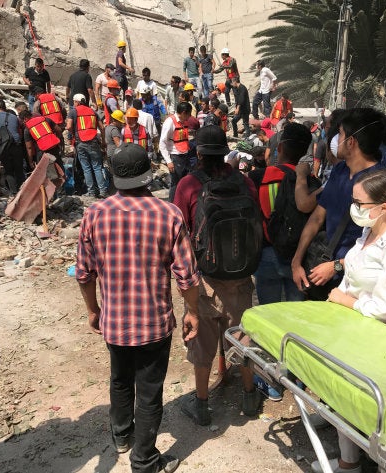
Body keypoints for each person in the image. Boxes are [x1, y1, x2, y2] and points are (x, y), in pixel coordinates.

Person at [76, 142, 198, 473]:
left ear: (113, 176)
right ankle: (143, 461)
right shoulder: (168, 213)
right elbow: (186, 274)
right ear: (147, 176)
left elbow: (84, 273)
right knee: (149, 389)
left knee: (119, 377)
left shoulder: (94, 214)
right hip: (154, 322)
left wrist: (93, 309)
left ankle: (122, 436)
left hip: (114, 321)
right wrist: (192, 312)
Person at [316, 170, 386, 473]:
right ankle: (348, 458)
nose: (355, 208)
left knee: (356, 401)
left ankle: (352, 464)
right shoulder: (368, 232)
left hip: (374, 337)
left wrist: (342, 299)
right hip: (350, 329)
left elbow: (383, 307)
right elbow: (352, 276)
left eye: (359, 203)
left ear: (384, 206)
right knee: (341, 396)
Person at [173, 125, 261, 426]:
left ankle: (201, 403)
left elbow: (180, 234)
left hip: (205, 280)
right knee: (242, 335)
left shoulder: (187, 184)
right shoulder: (244, 182)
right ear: (225, 151)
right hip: (240, 277)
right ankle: (249, 395)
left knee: (202, 343)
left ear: (198, 152)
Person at [291, 108, 386, 301]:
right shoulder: (340, 170)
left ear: (351, 142)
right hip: (322, 272)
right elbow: (317, 217)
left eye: (340, 133)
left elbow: (383, 246)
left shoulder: (380, 183)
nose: (335, 139)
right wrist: (297, 261)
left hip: (355, 284)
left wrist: (336, 265)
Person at [249, 122, 319, 305]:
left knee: (269, 313)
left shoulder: (258, 177)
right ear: (304, 152)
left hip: (266, 255)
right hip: (297, 259)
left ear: (279, 148)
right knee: (294, 317)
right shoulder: (310, 183)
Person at [66, 94, 108, 199]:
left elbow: (69, 126)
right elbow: (102, 128)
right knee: (97, 167)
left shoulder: (73, 112)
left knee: (87, 168)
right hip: (93, 142)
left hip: (81, 142)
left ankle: (91, 192)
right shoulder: (92, 111)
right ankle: (103, 191)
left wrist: (73, 134)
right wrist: (103, 141)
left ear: (77, 102)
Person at [0, 99, 25, 194]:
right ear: (5, 108)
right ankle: (23, 191)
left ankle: (14, 193)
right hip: (16, 144)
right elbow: (19, 133)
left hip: (3, 147)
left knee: (8, 170)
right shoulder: (13, 117)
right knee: (19, 169)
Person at [159, 102, 192, 202]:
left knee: (185, 181)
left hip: (185, 154)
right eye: (189, 114)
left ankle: (182, 202)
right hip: (175, 156)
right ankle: (172, 203)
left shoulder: (184, 121)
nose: (190, 116)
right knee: (176, 183)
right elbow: (162, 143)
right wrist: (169, 161)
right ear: (183, 113)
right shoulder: (169, 122)